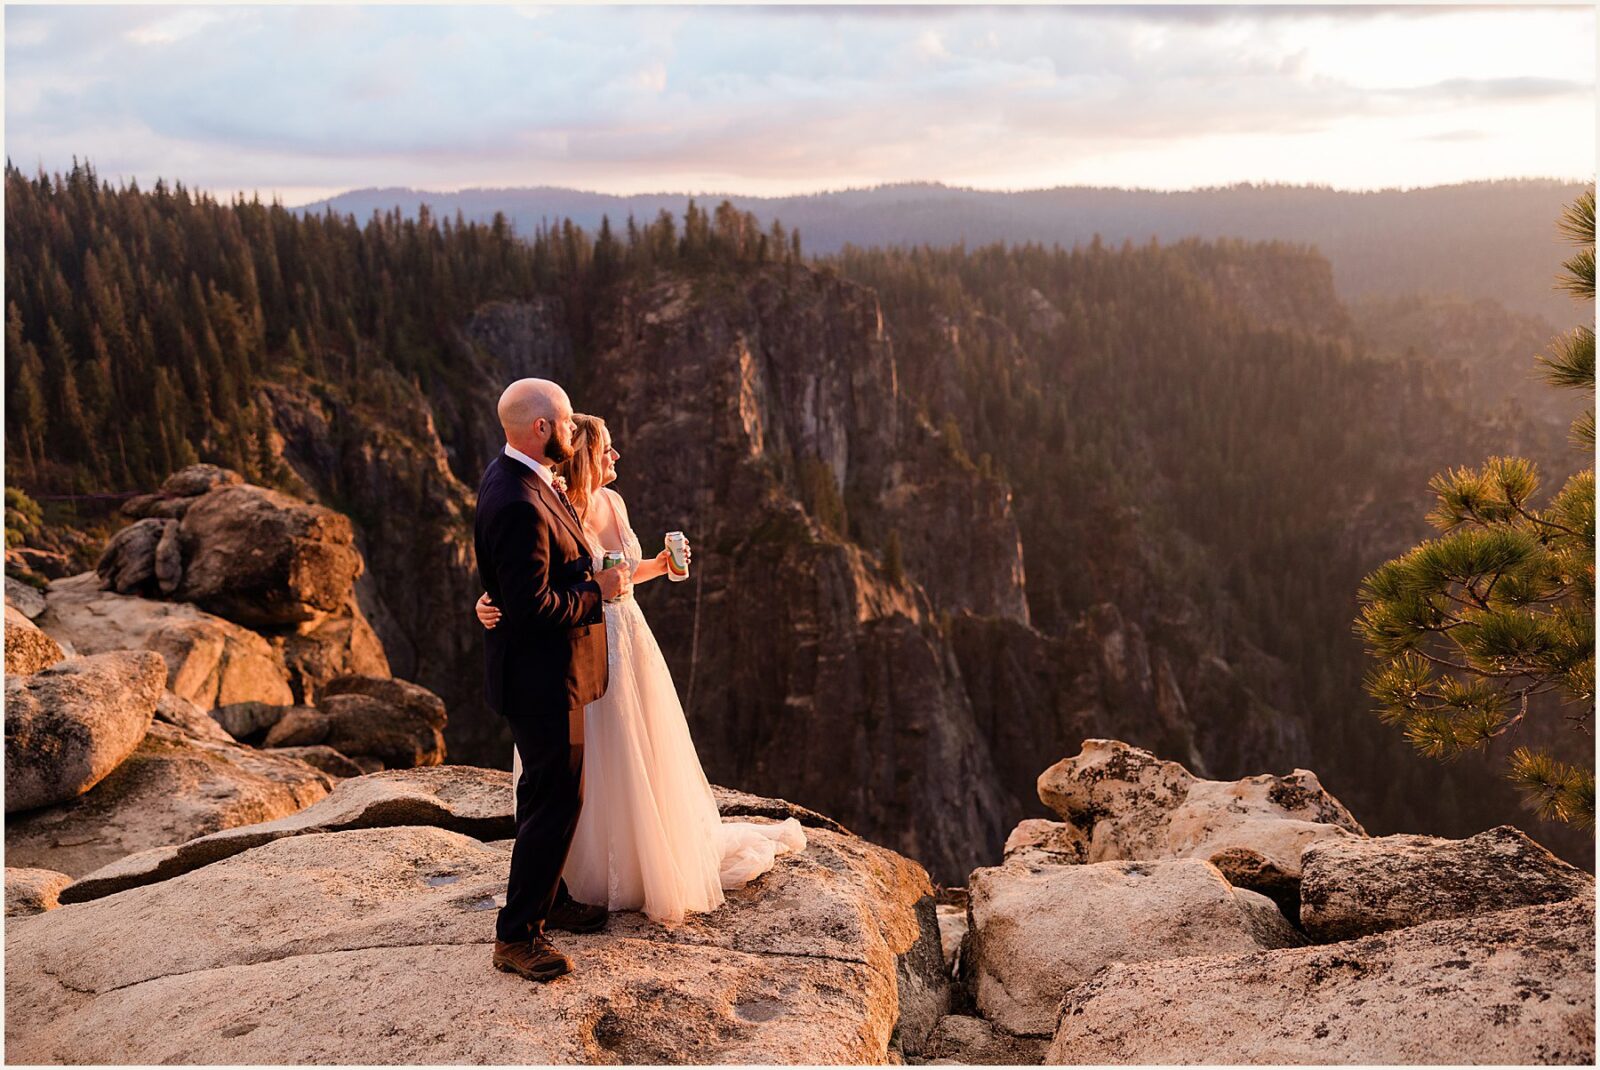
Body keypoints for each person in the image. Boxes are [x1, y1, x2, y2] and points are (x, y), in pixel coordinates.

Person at [476, 413, 805, 926]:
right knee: (591, 757)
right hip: (582, 639)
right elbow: (528, 576)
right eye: (607, 448)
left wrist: (662, 565)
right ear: (586, 454)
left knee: (640, 745)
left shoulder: (613, 501)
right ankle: (575, 878)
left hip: (628, 631)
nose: (616, 457)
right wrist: (490, 602)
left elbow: (623, 576)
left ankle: (640, 856)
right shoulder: (559, 503)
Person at [472, 379, 631, 983]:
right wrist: (599, 591)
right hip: (541, 679)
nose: (573, 431)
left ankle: (548, 898)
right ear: (541, 427)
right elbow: (535, 607)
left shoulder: (517, 477)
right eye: (566, 422)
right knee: (556, 798)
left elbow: (513, 588)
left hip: (541, 674)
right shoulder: (517, 498)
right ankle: (518, 937)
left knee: (542, 794)